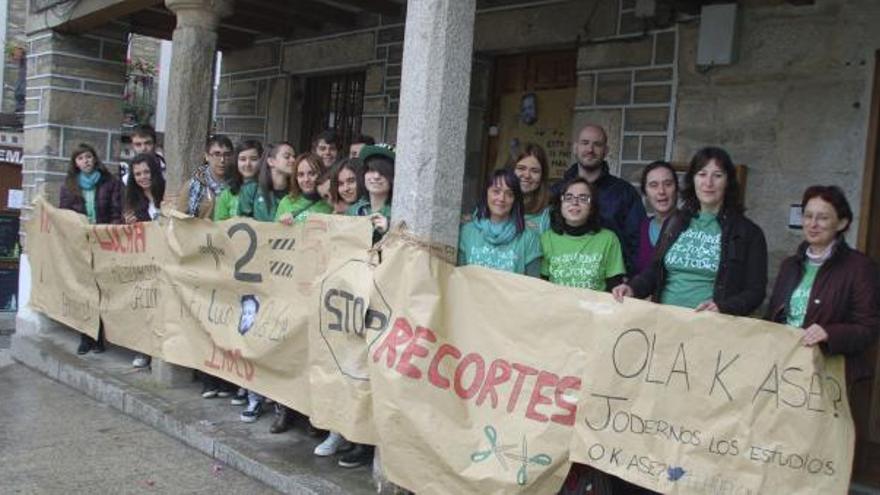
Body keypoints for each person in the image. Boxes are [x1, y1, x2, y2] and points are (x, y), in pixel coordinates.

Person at [612, 147, 767, 316]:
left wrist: (724, 307)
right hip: (666, 321)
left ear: (728, 181)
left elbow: (755, 292)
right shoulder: (674, 222)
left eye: (717, 175)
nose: (708, 183)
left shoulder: (748, 233)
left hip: (712, 327)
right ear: (692, 180)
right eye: (702, 174)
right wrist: (632, 288)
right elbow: (654, 271)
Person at [765, 185, 879, 386]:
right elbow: (772, 316)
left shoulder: (860, 267)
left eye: (823, 218)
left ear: (842, 223)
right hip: (786, 367)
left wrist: (830, 333)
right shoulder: (790, 265)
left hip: (829, 374)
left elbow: (869, 328)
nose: (813, 224)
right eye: (808, 216)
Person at [553, 125, 646, 276]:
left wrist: (631, 279)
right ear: (575, 148)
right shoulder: (557, 191)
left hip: (611, 283)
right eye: (585, 143)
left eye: (597, 144)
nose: (590, 149)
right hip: (562, 279)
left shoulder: (624, 192)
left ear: (606, 151)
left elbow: (638, 241)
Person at [59, 143, 122, 355]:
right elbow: (65, 215)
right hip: (80, 244)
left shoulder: (110, 182)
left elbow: (116, 209)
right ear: (75, 163)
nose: (85, 161)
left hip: (103, 242)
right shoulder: (69, 185)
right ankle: (85, 337)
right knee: (83, 291)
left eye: (88, 156)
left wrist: (109, 230)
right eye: (80, 158)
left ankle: (99, 338)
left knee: (101, 291)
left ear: (94, 158)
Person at [541, 177, 625, 291]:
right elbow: (541, 284)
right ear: (560, 204)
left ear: (592, 207)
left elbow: (615, 288)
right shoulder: (547, 238)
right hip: (556, 307)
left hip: (594, 308)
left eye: (583, 198)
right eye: (568, 197)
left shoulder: (608, 239)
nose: (575, 202)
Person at [122, 152, 165, 368]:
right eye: (137, 173)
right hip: (145, 262)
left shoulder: (167, 193)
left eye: (146, 172)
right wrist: (127, 226)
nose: (142, 177)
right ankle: (143, 349)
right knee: (145, 305)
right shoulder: (131, 200)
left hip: (167, 260)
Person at [458, 168, 542, 276]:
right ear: (486, 194)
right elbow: (460, 279)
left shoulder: (529, 238)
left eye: (509, 194)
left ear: (515, 200)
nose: (501, 198)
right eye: (496, 191)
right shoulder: (467, 232)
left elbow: (533, 287)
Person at [635, 161, 679, 275]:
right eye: (654, 185)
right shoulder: (640, 229)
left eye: (668, 184)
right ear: (645, 193)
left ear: (677, 189)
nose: (661, 191)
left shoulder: (692, 226)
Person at [347, 145, 395, 245]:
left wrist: (389, 231)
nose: (376, 176)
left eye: (383, 171)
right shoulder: (353, 210)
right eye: (371, 170)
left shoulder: (398, 214)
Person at [175, 135, 233, 219]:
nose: (222, 160)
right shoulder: (191, 186)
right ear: (207, 156)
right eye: (217, 154)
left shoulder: (238, 185)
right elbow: (179, 220)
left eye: (227, 155)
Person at [238, 142, 295, 222]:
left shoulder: (296, 191)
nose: (293, 160)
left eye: (294, 157)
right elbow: (242, 223)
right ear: (271, 161)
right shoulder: (251, 189)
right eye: (287, 156)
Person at [275, 153, 333, 224]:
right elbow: (275, 233)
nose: (306, 179)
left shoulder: (331, 202)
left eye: (311, 173)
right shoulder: (286, 202)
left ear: (322, 174)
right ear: (296, 178)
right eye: (301, 175)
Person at [214, 140, 263, 221]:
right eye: (243, 159)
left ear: (262, 161)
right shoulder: (227, 194)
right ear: (236, 162)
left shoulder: (269, 192)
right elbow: (219, 227)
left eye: (253, 159)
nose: (248, 164)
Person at [511, 143, 551, 234]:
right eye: (521, 168)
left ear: (542, 176)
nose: (527, 175)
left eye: (534, 171)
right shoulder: (495, 203)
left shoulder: (549, 215)